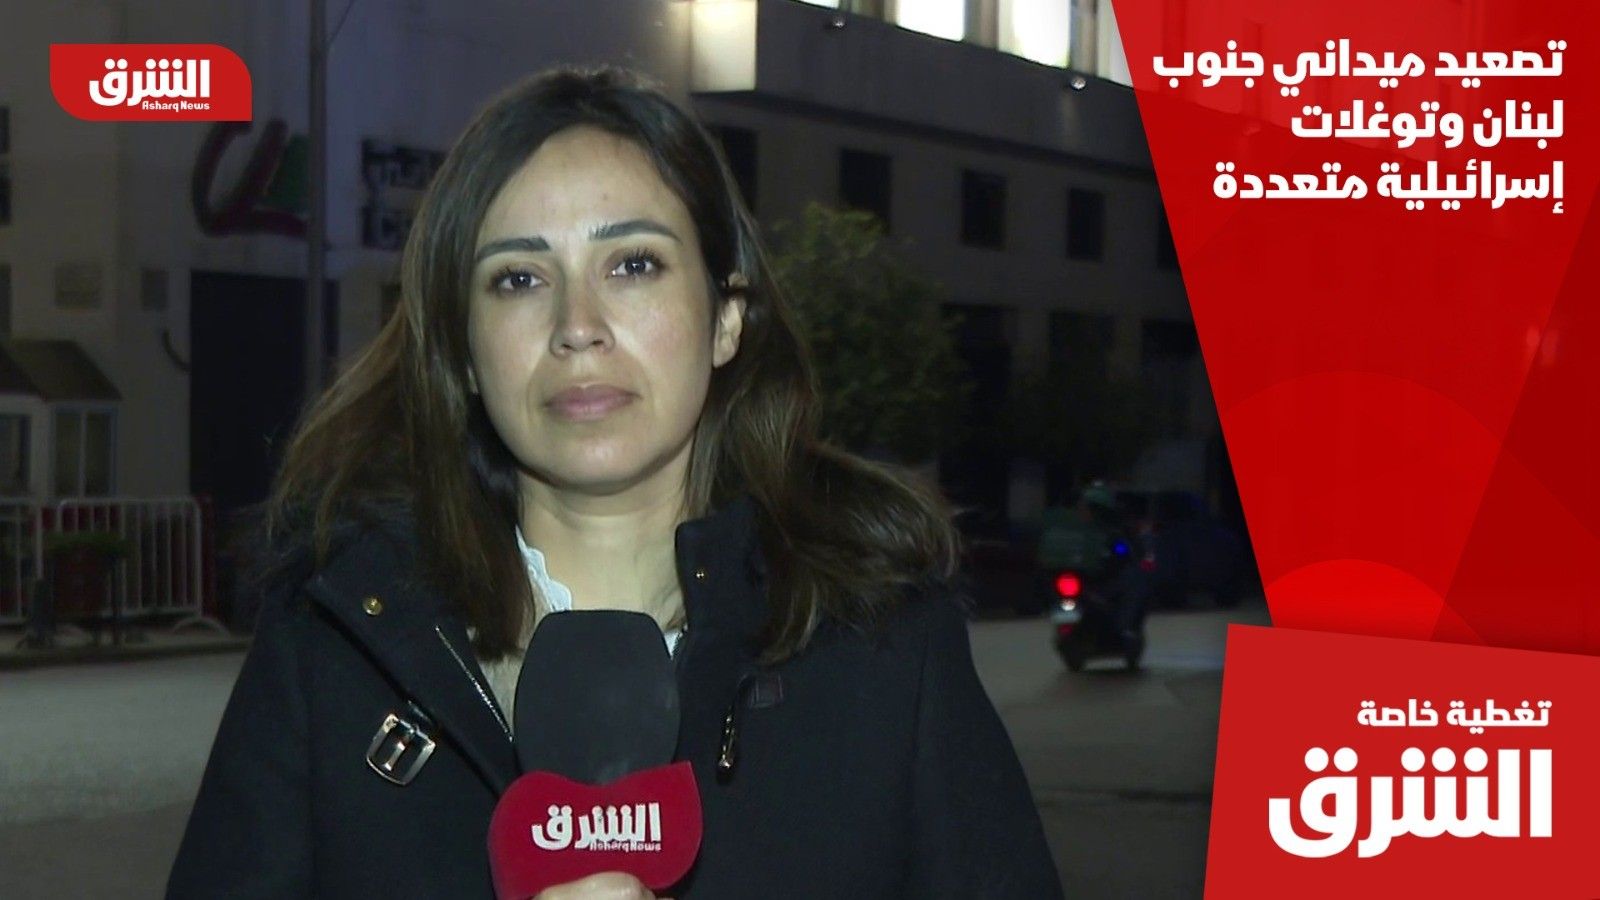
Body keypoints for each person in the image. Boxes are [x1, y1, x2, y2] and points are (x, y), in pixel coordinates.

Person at [167, 64, 1061, 899]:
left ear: (726, 318)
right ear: (465, 353)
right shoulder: (335, 639)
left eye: (633, 264)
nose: (577, 325)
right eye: (519, 278)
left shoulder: (881, 639)